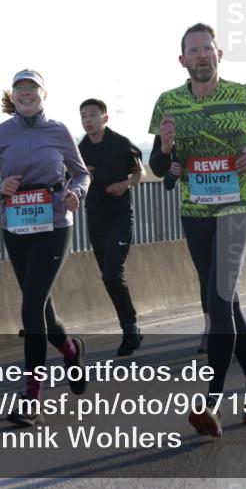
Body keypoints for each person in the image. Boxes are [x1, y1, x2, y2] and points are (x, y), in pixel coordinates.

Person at [148, 23, 246, 437]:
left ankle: (211, 402)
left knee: (219, 298)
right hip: (195, 210)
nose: (202, 55)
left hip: (239, 205)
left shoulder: (242, 94)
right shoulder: (168, 103)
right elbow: (156, 166)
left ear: (219, 55)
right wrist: (167, 149)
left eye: (208, 48)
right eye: (194, 50)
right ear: (182, 59)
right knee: (223, 303)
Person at [0, 70, 90, 426]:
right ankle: (71, 350)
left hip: (54, 225)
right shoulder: (0, 133)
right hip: (17, 227)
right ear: (14, 96)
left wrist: (76, 193)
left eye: (32, 89)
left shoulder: (59, 130)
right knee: (44, 312)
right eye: (20, 89)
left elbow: (82, 173)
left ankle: (31, 398)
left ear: (44, 94)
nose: (26, 94)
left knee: (31, 305)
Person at [78, 98, 145, 356]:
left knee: (111, 272)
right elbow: (72, 178)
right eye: (84, 116)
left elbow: (140, 173)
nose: (88, 120)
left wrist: (124, 185)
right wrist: (85, 176)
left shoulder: (120, 143)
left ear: (104, 118)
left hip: (119, 218)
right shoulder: (80, 149)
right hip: (95, 218)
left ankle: (130, 329)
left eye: (93, 115)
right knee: (108, 276)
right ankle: (131, 328)